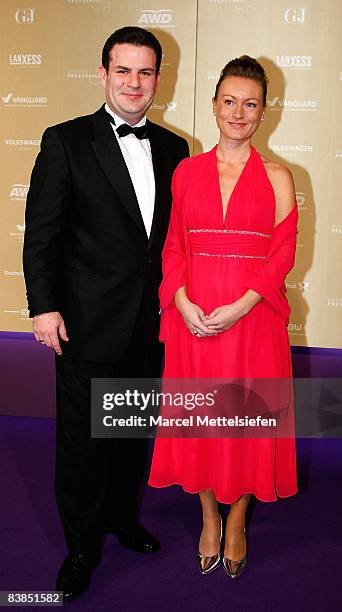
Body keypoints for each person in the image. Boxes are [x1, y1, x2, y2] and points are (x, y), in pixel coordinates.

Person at [23, 26, 189, 600]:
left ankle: (122, 518)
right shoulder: (65, 141)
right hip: (85, 323)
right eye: (123, 71)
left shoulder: (174, 149)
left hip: (149, 323)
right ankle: (81, 545)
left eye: (145, 72)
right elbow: (41, 234)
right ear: (103, 74)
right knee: (83, 442)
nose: (134, 83)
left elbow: (171, 244)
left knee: (129, 432)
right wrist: (43, 307)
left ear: (158, 79)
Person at [148, 56, 298, 579]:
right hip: (196, 323)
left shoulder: (279, 177)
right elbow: (172, 249)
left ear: (263, 112)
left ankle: (238, 519)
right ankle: (209, 515)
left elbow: (281, 256)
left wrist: (240, 306)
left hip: (252, 321)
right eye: (228, 101)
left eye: (250, 104)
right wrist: (183, 302)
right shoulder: (186, 172)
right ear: (213, 106)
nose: (238, 112)